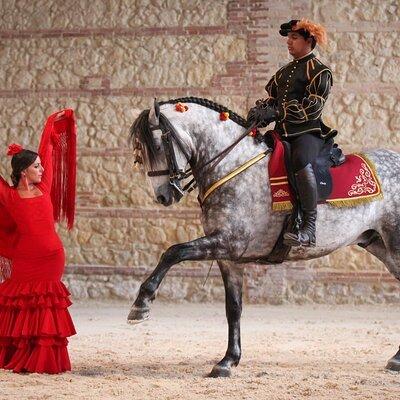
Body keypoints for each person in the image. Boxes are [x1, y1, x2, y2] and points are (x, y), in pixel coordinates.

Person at [0, 109, 77, 374]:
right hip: (24, 259)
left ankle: (42, 360)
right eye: (36, 166)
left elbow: (49, 151)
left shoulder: (44, 188)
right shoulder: (8, 196)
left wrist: (50, 125)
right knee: (21, 304)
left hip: (51, 257)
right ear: (23, 171)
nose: (42, 169)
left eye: (41, 165)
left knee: (45, 304)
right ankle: (20, 356)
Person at [248, 19, 335, 247]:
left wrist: (278, 111)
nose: (289, 42)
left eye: (294, 38)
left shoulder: (320, 72)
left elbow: (312, 108)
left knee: (300, 160)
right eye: (289, 38)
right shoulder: (283, 72)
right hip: (281, 132)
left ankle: (309, 227)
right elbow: (273, 100)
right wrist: (260, 112)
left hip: (308, 131)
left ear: (309, 41)